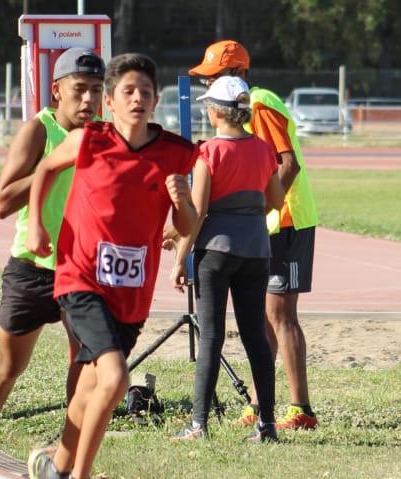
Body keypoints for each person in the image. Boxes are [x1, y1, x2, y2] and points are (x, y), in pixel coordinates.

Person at [25, 53, 197, 479]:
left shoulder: (176, 153)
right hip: (80, 276)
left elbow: (187, 226)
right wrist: (36, 227)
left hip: (131, 292)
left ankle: (54, 466)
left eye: (145, 92)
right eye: (128, 91)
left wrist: (183, 203)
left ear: (156, 100)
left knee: (90, 386)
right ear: (111, 101)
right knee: (116, 379)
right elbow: (45, 169)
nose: (137, 98)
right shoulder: (89, 140)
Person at [0, 48, 105, 479]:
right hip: (32, 268)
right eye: (79, 89)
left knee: (85, 363)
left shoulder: (105, 135)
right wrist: (54, 165)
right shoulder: (38, 131)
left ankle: (63, 456)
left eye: (96, 90)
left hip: (81, 270)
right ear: (57, 91)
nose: (88, 99)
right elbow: (2, 201)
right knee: (10, 366)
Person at [188, 40, 319, 430]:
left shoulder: (258, 103)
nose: (208, 84)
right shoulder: (246, 106)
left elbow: (287, 163)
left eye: (214, 76)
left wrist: (257, 212)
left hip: (286, 220)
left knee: (280, 315)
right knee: (262, 318)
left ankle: (300, 408)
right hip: (264, 225)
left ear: (238, 73)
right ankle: (261, 406)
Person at [169, 76, 284, 443]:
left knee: (211, 336)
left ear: (216, 112)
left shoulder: (208, 152)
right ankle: (267, 425)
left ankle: (198, 424)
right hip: (256, 250)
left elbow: (198, 211)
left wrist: (180, 259)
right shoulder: (264, 149)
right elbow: (276, 199)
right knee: (255, 337)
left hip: (215, 251)